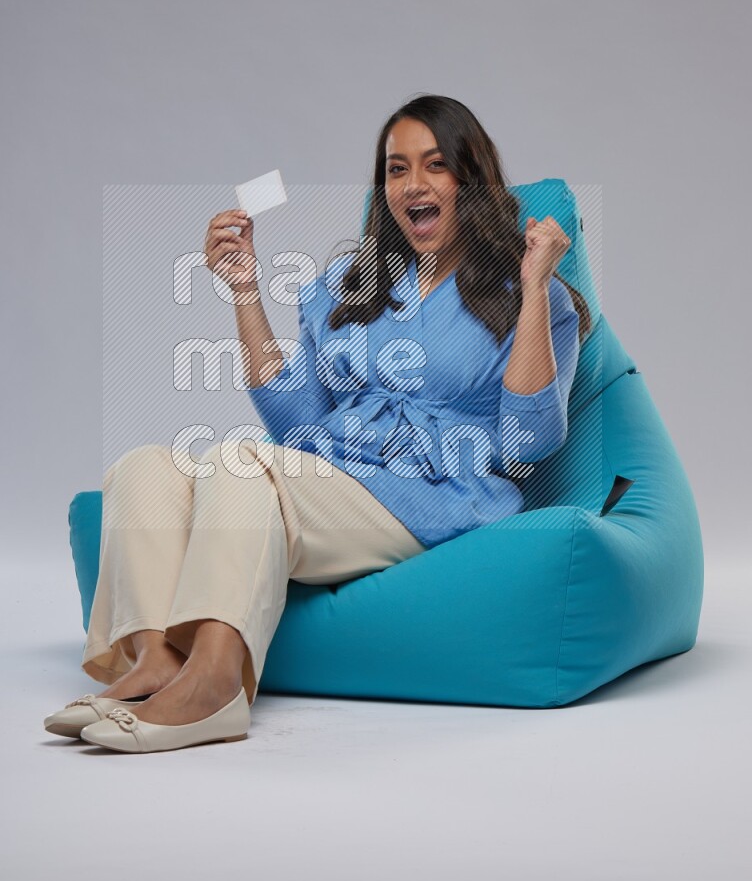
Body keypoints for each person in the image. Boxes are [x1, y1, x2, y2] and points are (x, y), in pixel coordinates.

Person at [44, 94, 591, 753]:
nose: (412, 184)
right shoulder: (351, 285)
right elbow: (297, 422)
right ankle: (155, 660)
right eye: (396, 169)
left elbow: (531, 440)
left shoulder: (529, 293)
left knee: (240, 463)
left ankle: (214, 686)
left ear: (469, 180)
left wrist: (533, 289)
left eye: (435, 165)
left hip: (435, 495)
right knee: (144, 468)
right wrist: (245, 291)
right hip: (331, 478)